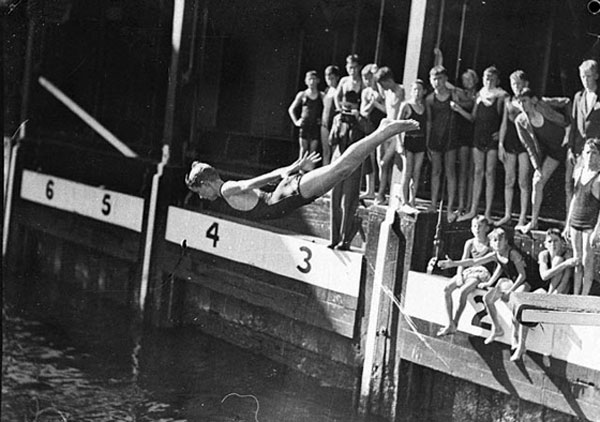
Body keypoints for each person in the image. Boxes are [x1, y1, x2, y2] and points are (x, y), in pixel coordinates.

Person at [185, 119, 420, 221]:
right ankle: (382, 131)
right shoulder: (225, 192)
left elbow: (251, 184)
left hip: (289, 194)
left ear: (205, 184)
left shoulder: (226, 190)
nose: (202, 197)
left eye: (199, 192)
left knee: (341, 169)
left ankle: (385, 132)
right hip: (286, 193)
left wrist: (285, 169)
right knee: (343, 171)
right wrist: (287, 172)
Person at [455, 66, 508, 223]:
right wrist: (458, 109)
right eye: (486, 78)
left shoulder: (502, 96)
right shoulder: (479, 95)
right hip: (478, 137)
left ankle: (488, 212)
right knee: (477, 172)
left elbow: (505, 120)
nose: (488, 81)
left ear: (497, 80)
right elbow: (473, 118)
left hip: (492, 139)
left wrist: (501, 135)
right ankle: (473, 210)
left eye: (492, 78)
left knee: (490, 173)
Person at [514, 87, 570, 233]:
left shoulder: (543, 105)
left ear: (533, 100)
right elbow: (529, 146)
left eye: (524, 101)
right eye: (519, 102)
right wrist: (537, 167)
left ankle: (570, 225)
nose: (522, 105)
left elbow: (567, 103)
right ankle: (533, 221)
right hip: (554, 152)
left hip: (568, 144)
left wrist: (570, 128)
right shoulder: (520, 121)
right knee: (537, 181)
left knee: (570, 184)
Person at [329, 54, 366, 250]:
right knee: (335, 198)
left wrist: (357, 115)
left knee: (349, 200)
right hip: (338, 155)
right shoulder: (338, 118)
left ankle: (345, 238)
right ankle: (334, 237)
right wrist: (339, 117)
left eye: (354, 67)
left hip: (353, 157)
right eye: (349, 67)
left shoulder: (363, 86)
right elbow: (331, 141)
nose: (352, 70)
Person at [436, 216, 494, 336]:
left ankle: (455, 324)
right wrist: (459, 275)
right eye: (474, 226)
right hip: (469, 270)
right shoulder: (470, 243)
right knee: (447, 289)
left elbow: (483, 262)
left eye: (480, 226)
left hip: (481, 272)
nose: (477, 229)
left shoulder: (490, 243)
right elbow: (464, 261)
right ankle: (449, 322)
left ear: (487, 228)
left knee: (463, 292)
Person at [564, 137, 600, 295]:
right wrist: (567, 223)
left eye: (594, 153)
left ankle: (584, 297)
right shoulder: (578, 171)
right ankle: (575, 294)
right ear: (583, 155)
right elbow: (574, 198)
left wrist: (597, 231)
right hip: (575, 221)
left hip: (589, 224)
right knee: (577, 261)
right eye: (587, 153)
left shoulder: (598, 178)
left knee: (587, 261)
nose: (590, 156)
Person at [496, 70, 532, 227]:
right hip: (510, 142)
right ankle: (507, 214)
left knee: (523, 181)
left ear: (524, 84)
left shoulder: (528, 100)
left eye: (518, 84)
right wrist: (500, 144)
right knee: (509, 180)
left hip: (524, 143)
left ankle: (523, 217)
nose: (515, 87)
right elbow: (504, 123)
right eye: (513, 84)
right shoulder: (508, 100)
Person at [426, 65, 459, 221]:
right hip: (435, 139)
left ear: (445, 79)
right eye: (434, 79)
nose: (437, 82)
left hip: (450, 138)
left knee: (450, 171)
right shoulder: (429, 99)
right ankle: (433, 203)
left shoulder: (453, 95)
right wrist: (427, 143)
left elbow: (466, 98)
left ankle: (450, 205)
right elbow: (428, 122)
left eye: (440, 78)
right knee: (436, 171)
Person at [568, 60, 600, 212]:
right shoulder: (578, 97)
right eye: (582, 76)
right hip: (580, 150)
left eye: (588, 76)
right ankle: (572, 221)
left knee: (594, 188)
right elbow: (573, 124)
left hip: (596, 151)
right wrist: (570, 149)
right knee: (576, 186)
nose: (585, 80)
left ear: (596, 76)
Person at [374, 66, 405, 205]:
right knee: (380, 162)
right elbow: (388, 110)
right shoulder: (387, 92)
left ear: (388, 80)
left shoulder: (401, 90)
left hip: (396, 130)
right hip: (386, 127)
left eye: (382, 84)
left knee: (384, 161)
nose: (381, 87)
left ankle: (386, 193)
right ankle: (381, 194)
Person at [397, 80, 427, 209]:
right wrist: (399, 143)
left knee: (416, 172)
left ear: (424, 91)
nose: (417, 92)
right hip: (408, 140)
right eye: (414, 89)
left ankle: (412, 199)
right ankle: (404, 201)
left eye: (419, 90)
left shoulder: (424, 107)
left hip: (420, 141)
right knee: (407, 171)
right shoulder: (406, 105)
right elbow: (397, 125)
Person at [453, 69, 479, 215]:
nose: (466, 83)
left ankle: (470, 205)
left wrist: (458, 109)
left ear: (475, 80)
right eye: (464, 80)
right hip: (463, 134)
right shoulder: (459, 93)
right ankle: (461, 204)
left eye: (469, 79)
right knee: (463, 171)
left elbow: (472, 117)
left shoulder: (479, 94)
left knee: (473, 172)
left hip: (475, 133)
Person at [288, 70, 324, 169]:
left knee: (313, 152)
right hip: (304, 126)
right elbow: (291, 109)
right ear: (306, 81)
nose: (312, 82)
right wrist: (296, 121)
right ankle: (299, 173)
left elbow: (327, 109)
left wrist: (323, 120)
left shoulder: (321, 95)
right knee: (303, 150)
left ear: (318, 81)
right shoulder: (302, 94)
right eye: (310, 79)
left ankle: (310, 174)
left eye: (314, 79)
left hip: (315, 126)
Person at [360, 63, 386, 199]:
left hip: (380, 126)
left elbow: (387, 111)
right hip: (369, 127)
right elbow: (362, 111)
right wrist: (371, 104)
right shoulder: (366, 92)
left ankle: (381, 192)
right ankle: (370, 190)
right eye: (364, 78)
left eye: (369, 78)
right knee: (368, 159)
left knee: (380, 159)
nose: (367, 81)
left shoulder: (381, 92)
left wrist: (376, 103)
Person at [538, 228, 579, 295]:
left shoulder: (567, 255)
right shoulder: (543, 255)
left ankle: (550, 294)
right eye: (550, 241)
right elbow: (544, 276)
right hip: (546, 288)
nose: (553, 244)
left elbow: (565, 281)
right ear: (545, 244)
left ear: (562, 242)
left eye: (556, 241)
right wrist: (564, 264)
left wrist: (553, 295)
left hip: (562, 288)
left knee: (558, 260)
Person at [321, 65, 341, 166]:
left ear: (337, 77)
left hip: (334, 124)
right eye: (327, 78)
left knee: (334, 152)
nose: (329, 80)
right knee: (326, 151)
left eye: (332, 78)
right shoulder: (326, 91)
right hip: (324, 124)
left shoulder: (339, 90)